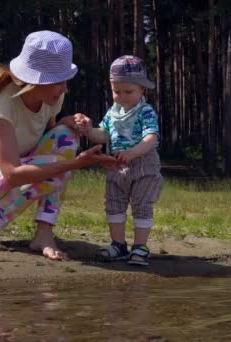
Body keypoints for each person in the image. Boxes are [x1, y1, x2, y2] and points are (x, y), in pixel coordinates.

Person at [0, 31, 118, 260]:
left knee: (66, 135)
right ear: (38, 81)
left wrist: (68, 123)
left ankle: (44, 234)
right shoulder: (1, 104)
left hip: (6, 174)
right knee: (59, 165)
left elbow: (42, 141)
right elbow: (13, 173)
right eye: (60, 81)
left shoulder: (52, 100)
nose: (65, 89)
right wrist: (75, 164)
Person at [79, 55, 162, 266]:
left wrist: (133, 152)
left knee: (142, 204)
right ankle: (118, 245)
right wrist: (88, 131)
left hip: (143, 164)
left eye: (129, 92)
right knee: (114, 203)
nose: (122, 96)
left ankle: (140, 247)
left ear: (142, 89)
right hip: (116, 164)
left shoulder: (145, 111)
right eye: (117, 92)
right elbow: (103, 135)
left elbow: (151, 138)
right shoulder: (113, 112)